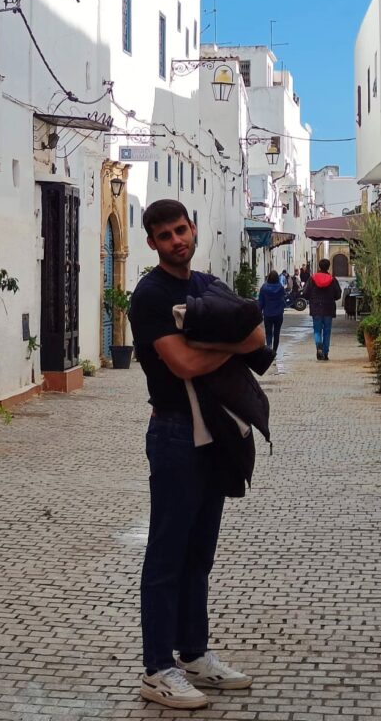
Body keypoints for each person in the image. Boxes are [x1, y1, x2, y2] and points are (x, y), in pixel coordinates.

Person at [128, 199, 262, 710]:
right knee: (166, 556)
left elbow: (254, 333)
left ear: (194, 229)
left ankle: (193, 654)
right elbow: (182, 363)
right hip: (175, 435)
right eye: (165, 236)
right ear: (152, 244)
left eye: (181, 230)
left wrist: (228, 343)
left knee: (199, 555)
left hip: (216, 436)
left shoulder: (206, 285)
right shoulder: (150, 295)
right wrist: (228, 347)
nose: (176, 241)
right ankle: (157, 669)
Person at [302, 258, 342, 360]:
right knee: (327, 331)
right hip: (329, 308)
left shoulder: (312, 279)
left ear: (319, 266)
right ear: (328, 267)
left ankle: (318, 345)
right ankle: (325, 353)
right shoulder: (332, 279)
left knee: (317, 330)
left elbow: (305, 294)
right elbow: (338, 295)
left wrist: (312, 297)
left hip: (316, 308)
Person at [258, 270, 286, 354]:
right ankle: (274, 351)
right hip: (278, 314)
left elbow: (261, 302)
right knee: (277, 333)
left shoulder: (264, 287)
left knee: (268, 332)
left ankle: (269, 346)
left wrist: (259, 312)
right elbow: (283, 298)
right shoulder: (280, 287)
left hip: (267, 313)